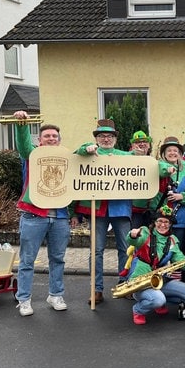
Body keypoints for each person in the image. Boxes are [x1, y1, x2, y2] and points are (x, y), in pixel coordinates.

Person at [12, 111, 71, 316]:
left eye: (54, 136)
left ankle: (55, 294)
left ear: (59, 140)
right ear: (40, 139)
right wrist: (22, 125)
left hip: (60, 215)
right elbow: (23, 145)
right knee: (27, 260)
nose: (51, 138)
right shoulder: (32, 154)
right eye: (47, 136)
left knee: (58, 259)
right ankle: (24, 299)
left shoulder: (65, 156)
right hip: (34, 215)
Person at [71, 119, 133, 305]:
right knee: (96, 250)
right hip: (97, 209)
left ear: (115, 138)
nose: (106, 139)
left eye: (109, 136)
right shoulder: (89, 152)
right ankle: (96, 289)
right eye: (101, 136)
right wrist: (86, 148)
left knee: (125, 248)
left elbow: (142, 167)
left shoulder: (125, 156)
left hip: (120, 208)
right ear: (96, 139)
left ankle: (125, 284)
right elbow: (75, 157)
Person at [123, 206, 185, 325]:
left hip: (160, 280)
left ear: (170, 225)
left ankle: (158, 300)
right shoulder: (145, 232)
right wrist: (133, 235)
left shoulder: (173, 240)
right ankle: (138, 310)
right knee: (158, 300)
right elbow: (134, 241)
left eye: (166, 222)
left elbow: (182, 262)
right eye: (160, 221)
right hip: (140, 282)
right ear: (154, 222)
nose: (163, 225)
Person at [152, 136, 185, 280]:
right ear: (164, 154)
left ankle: (182, 282)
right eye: (169, 150)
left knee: (181, 252)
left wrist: (182, 197)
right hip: (161, 220)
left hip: (181, 220)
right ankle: (159, 281)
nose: (172, 153)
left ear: (180, 153)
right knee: (159, 252)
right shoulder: (156, 169)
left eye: (175, 150)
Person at [129, 130, 153, 229]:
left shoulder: (154, 161)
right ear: (132, 145)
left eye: (145, 141)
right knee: (133, 239)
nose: (142, 144)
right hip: (134, 209)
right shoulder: (126, 160)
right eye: (138, 142)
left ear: (149, 145)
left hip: (151, 208)